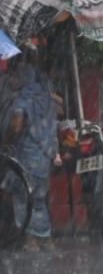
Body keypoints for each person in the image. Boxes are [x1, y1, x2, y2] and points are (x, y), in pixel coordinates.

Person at [1, 49, 62, 249]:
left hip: (25, 156)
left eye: (17, 75)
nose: (14, 79)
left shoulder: (24, 98)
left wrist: (7, 139)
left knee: (22, 196)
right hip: (45, 156)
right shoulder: (45, 97)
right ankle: (45, 237)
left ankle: (31, 238)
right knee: (38, 198)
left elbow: (17, 124)